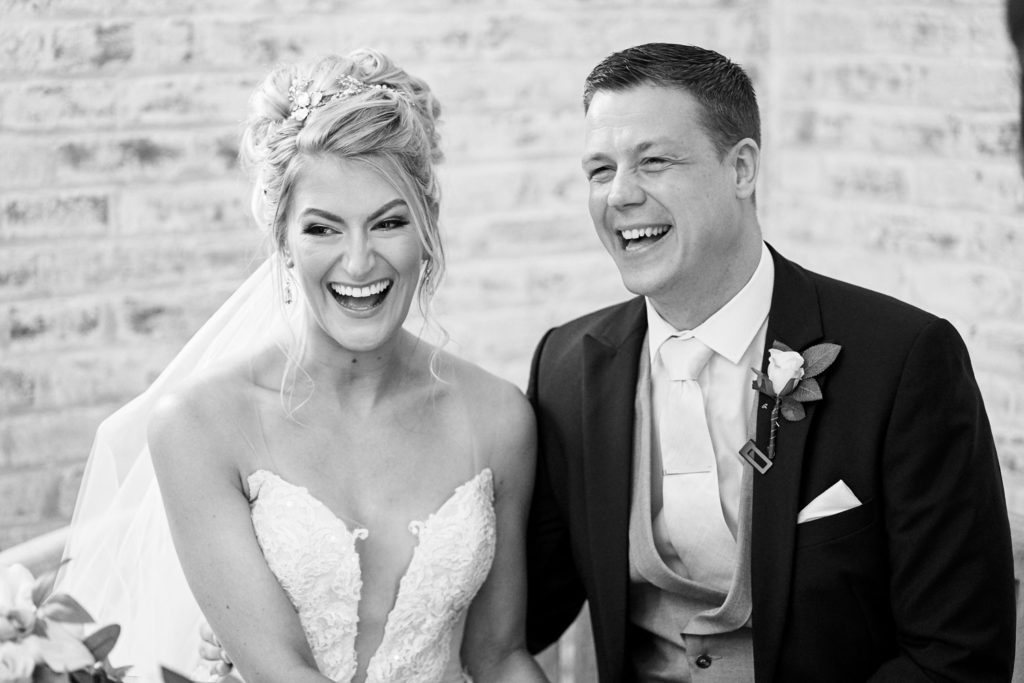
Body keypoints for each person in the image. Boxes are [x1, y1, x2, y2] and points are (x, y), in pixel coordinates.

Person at [522, 43, 1016, 682]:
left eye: (654, 161)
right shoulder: (565, 367)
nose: (619, 195)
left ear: (742, 169)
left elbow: (958, 656)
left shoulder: (903, 361)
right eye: (598, 169)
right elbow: (522, 617)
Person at [59, 49, 546, 683]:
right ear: (282, 239)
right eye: (323, 229)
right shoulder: (200, 427)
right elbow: (280, 669)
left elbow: (498, 657)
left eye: (389, 223)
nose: (360, 261)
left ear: (426, 231)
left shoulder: (499, 417)